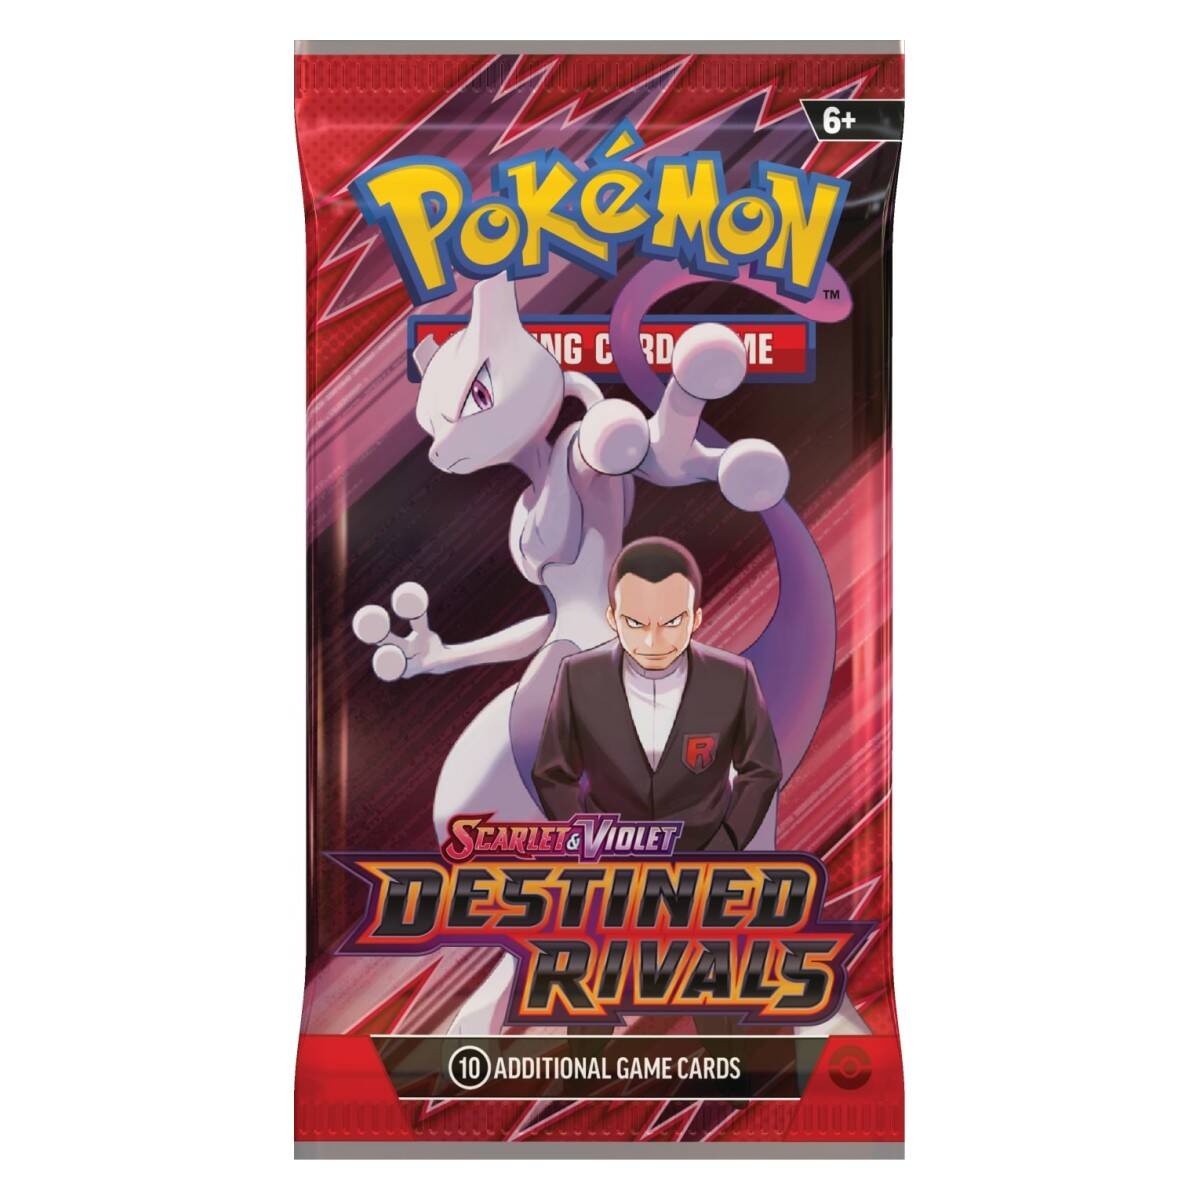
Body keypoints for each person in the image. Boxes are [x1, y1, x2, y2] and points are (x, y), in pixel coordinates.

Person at [533, 536, 781, 849]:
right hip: (611, 856)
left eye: (672, 622)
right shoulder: (578, 677)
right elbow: (552, 773)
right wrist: (588, 842)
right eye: (635, 623)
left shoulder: (734, 678)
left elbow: (762, 770)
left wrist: (728, 840)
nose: (653, 642)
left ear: (696, 619)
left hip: (705, 856)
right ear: (612, 618)